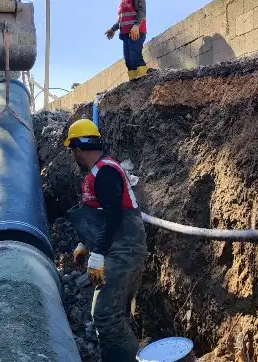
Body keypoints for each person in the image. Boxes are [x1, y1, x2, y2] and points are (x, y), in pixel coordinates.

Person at [63, 118, 147, 361]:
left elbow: (113, 216)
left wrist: (98, 253)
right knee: (117, 315)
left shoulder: (105, 173)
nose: (73, 156)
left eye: (73, 151)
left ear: (79, 150)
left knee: (105, 316)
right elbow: (100, 215)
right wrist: (85, 243)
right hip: (118, 248)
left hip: (124, 251)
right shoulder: (98, 172)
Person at [105, 0, 148, 81]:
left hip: (135, 32)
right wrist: (113, 29)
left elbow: (142, 11)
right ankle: (134, 82)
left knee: (135, 56)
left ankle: (144, 80)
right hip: (126, 35)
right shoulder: (124, 0)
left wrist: (136, 26)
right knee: (128, 60)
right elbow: (122, 20)